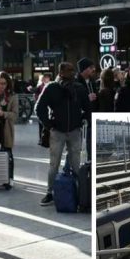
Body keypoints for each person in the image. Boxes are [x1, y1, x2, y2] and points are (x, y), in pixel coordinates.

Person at [34, 62, 89, 207]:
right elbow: (39, 108)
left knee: (76, 164)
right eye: (69, 70)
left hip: (74, 131)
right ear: (61, 72)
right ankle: (50, 192)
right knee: (54, 164)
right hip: (58, 131)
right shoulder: (52, 87)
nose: (73, 73)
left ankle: (79, 194)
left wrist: (84, 119)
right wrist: (49, 124)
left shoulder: (78, 88)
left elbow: (88, 107)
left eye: (73, 70)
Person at [76, 58, 98, 157]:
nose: (93, 70)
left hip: (90, 117)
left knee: (90, 143)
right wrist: (86, 98)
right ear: (84, 69)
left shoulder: (91, 81)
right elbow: (73, 100)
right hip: (79, 120)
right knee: (76, 146)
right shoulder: (76, 83)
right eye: (90, 68)